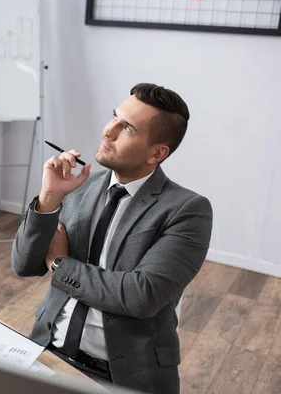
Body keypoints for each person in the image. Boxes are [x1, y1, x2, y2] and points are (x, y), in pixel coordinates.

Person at [11, 83, 213, 394]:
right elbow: (23, 265)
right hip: (48, 350)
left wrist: (60, 263)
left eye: (126, 128)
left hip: (124, 376)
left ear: (157, 153)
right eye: (114, 117)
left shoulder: (187, 210)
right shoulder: (78, 187)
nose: (108, 131)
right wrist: (48, 199)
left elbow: (139, 296)